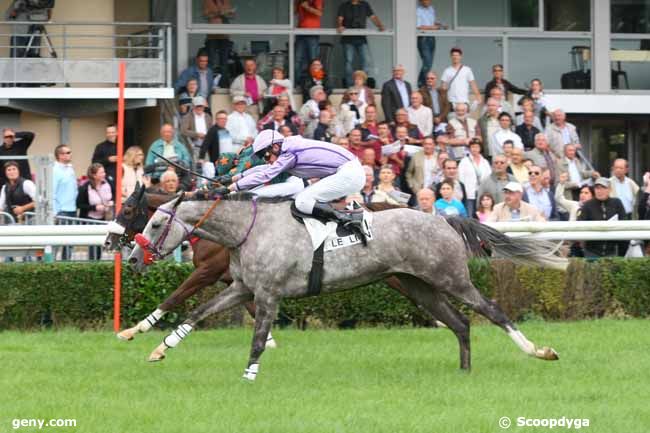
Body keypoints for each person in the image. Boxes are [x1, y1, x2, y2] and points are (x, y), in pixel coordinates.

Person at [228, 130, 366, 226]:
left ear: (275, 147)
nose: (266, 160)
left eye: (266, 156)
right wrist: (236, 178)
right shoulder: (287, 147)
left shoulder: (289, 153)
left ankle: (349, 219)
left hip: (349, 173)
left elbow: (266, 174)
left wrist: (234, 188)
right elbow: (265, 169)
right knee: (297, 200)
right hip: (347, 171)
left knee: (302, 201)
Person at [337, 0, 385, 87]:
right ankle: (350, 85)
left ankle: (362, 84)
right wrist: (340, 26)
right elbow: (340, 18)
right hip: (347, 38)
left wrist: (380, 25)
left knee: (366, 61)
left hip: (361, 38)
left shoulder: (365, 5)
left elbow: (373, 17)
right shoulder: (344, 5)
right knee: (348, 62)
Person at [579, 177, 628, 257]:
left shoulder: (616, 203)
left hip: (612, 249)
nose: (599, 191)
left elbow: (624, 222)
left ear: (609, 189)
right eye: (597, 188)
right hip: (592, 250)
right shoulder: (588, 205)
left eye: (603, 188)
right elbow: (580, 224)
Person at [77, 163, 113, 260]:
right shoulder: (85, 187)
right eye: (101, 172)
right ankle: (92, 262)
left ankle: (98, 261)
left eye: (104, 172)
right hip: (90, 219)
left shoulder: (107, 184)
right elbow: (79, 204)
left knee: (100, 243)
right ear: (94, 175)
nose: (104, 174)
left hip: (103, 218)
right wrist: (94, 207)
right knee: (93, 244)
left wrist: (109, 203)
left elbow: (112, 196)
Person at [52, 144, 78, 259]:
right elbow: (52, 192)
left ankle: (66, 265)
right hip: (62, 212)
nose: (70, 154)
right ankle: (50, 266)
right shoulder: (55, 170)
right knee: (57, 242)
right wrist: (55, 213)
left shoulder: (70, 168)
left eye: (70, 152)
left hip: (72, 210)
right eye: (67, 153)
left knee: (69, 243)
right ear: (60, 155)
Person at [202, 0, 235, 87]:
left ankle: (224, 84)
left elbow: (232, 15)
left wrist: (226, 13)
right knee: (211, 62)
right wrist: (219, 13)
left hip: (224, 35)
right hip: (212, 35)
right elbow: (205, 14)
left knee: (224, 62)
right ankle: (209, 84)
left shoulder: (226, 1)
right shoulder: (208, 1)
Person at [458, 139, 491, 217]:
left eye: (477, 147)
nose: (475, 149)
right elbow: (461, 178)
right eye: (472, 147)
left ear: (480, 148)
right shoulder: (464, 161)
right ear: (469, 148)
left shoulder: (485, 162)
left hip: (482, 194)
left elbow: (489, 177)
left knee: (482, 216)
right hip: (469, 193)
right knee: (469, 215)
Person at [416, 0, 443, 88]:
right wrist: (433, 27)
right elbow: (419, 26)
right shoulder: (417, 10)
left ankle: (423, 84)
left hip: (432, 37)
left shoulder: (431, 9)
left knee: (429, 64)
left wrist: (440, 25)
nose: (428, 1)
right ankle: (421, 85)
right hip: (423, 38)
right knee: (427, 63)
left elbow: (431, 22)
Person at [295, 0, 323, 82]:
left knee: (313, 59)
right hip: (300, 32)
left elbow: (319, 13)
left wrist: (307, 7)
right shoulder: (299, 1)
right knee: (298, 60)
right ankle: (297, 84)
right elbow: (294, 13)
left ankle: (314, 82)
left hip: (312, 33)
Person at [181, 96, 213, 163]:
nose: (199, 108)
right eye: (197, 106)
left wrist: (208, 136)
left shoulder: (208, 116)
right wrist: (197, 134)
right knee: (196, 168)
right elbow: (183, 131)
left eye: (201, 106)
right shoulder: (187, 117)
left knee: (207, 167)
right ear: (193, 106)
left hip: (206, 148)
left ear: (204, 107)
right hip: (194, 147)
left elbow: (211, 130)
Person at [91, 124, 118, 192]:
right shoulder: (100, 147)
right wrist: (108, 160)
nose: (110, 134)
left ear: (117, 133)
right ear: (106, 134)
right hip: (106, 178)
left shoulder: (122, 145)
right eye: (108, 132)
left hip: (121, 177)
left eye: (112, 132)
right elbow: (94, 163)